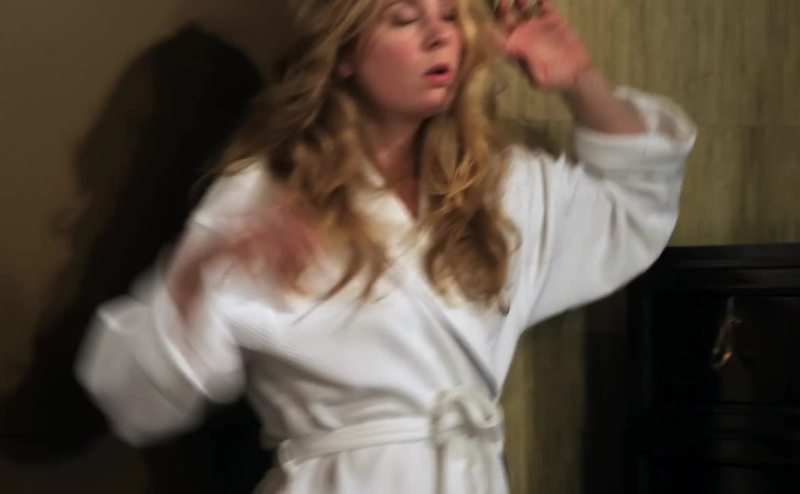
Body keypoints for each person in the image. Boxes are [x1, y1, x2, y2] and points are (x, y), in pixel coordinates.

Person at [75, 0, 696, 492]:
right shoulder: (268, 196)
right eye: (404, 18)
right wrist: (197, 274)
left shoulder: (494, 188)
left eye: (449, 15)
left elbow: (633, 205)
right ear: (343, 52)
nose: (439, 35)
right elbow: (136, 400)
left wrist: (581, 82)